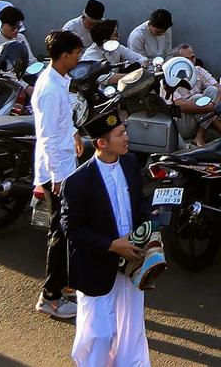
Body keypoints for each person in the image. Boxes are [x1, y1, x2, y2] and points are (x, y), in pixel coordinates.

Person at [62, 112, 152, 366]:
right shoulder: (78, 182)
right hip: (96, 267)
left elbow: (140, 202)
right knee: (100, 334)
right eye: (121, 134)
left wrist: (148, 226)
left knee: (131, 328)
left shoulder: (131, 163)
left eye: (125, 131)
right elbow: (71, 228)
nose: (127, 138)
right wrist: (112, 245)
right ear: (102, 143)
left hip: (131, 264)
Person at [33, 30, 86, 321]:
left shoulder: (58, 81)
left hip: (64, 166)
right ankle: (50, 297)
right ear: (64, 55)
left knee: (64, 230)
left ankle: (63, 286)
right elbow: (48, 136)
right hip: (58, 171)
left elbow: (62, 122)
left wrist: (75, 133)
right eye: (77, 53)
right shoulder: (50, 88)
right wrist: (57, 176)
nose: (79, 57)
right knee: (60, 232)